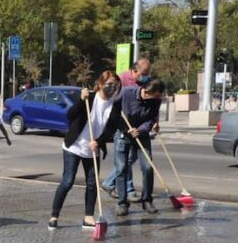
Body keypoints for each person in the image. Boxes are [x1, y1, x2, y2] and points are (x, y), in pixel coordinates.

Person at [48, 71, 122, 231]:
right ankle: (54, 216)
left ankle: (88, 217)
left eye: (115, 85)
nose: (112, 87)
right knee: (67, 181)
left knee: (92, 183)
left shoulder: (114, 105)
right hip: (74, 146)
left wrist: (99, 142)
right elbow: (70, 115)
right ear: (101, 84)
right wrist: (81, 100)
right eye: (109, 84)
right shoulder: (90, 98)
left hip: (92, 149)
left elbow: (110, 129)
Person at [102, 58, 153, 201]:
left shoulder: (144, 82)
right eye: (144, 73)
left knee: (133, 157)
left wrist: (153, 121)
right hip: (124, 126)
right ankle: (128, 190)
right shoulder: (122, 79)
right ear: (134, 70)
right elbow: (113, 100)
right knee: (124, 160)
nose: (146, 76)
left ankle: (110, 183)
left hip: (139, 126)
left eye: (148, 73)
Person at [114, 79, 165, 216]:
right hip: (123, 134)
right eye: (156, 95)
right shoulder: (126, 93)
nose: (158, 98)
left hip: (142, 135)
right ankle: (122, 203)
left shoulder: (156, 101)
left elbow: (151, 119)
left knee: (148, 167)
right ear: (147, 92)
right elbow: (114, 111)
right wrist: (126, 129)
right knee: (121, 169)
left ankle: (147, 200)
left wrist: (141, 130)